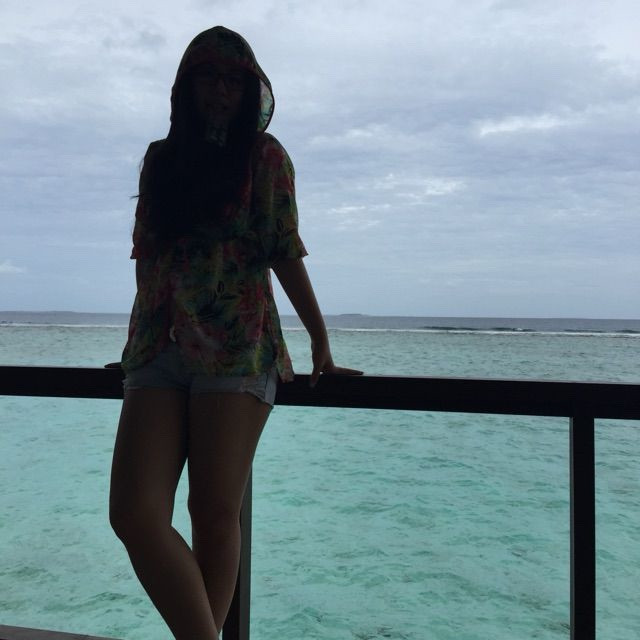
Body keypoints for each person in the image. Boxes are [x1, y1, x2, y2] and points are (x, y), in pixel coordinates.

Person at [109, 25, 362, 640]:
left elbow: (283, 250)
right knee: (133, 514)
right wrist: (138, 338)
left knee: (213, 510)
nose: (220, 91)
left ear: (249, 91)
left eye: (233, 80)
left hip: (237, 345)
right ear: (186, 85)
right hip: (160, 347)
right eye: (208, 77)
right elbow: (148, 256)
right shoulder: (161, 159)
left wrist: (319, 341)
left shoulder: (264, 157)